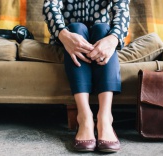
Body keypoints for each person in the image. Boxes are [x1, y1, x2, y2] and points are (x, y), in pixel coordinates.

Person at [43, 0, 130, 153]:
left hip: (103, 40)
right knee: (76, 27)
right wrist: (64, 35)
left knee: (102, 28)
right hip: (68, 38)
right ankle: (84, 116)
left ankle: (105, 117)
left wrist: (114, 38)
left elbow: (122, 10)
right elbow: (50, 6)